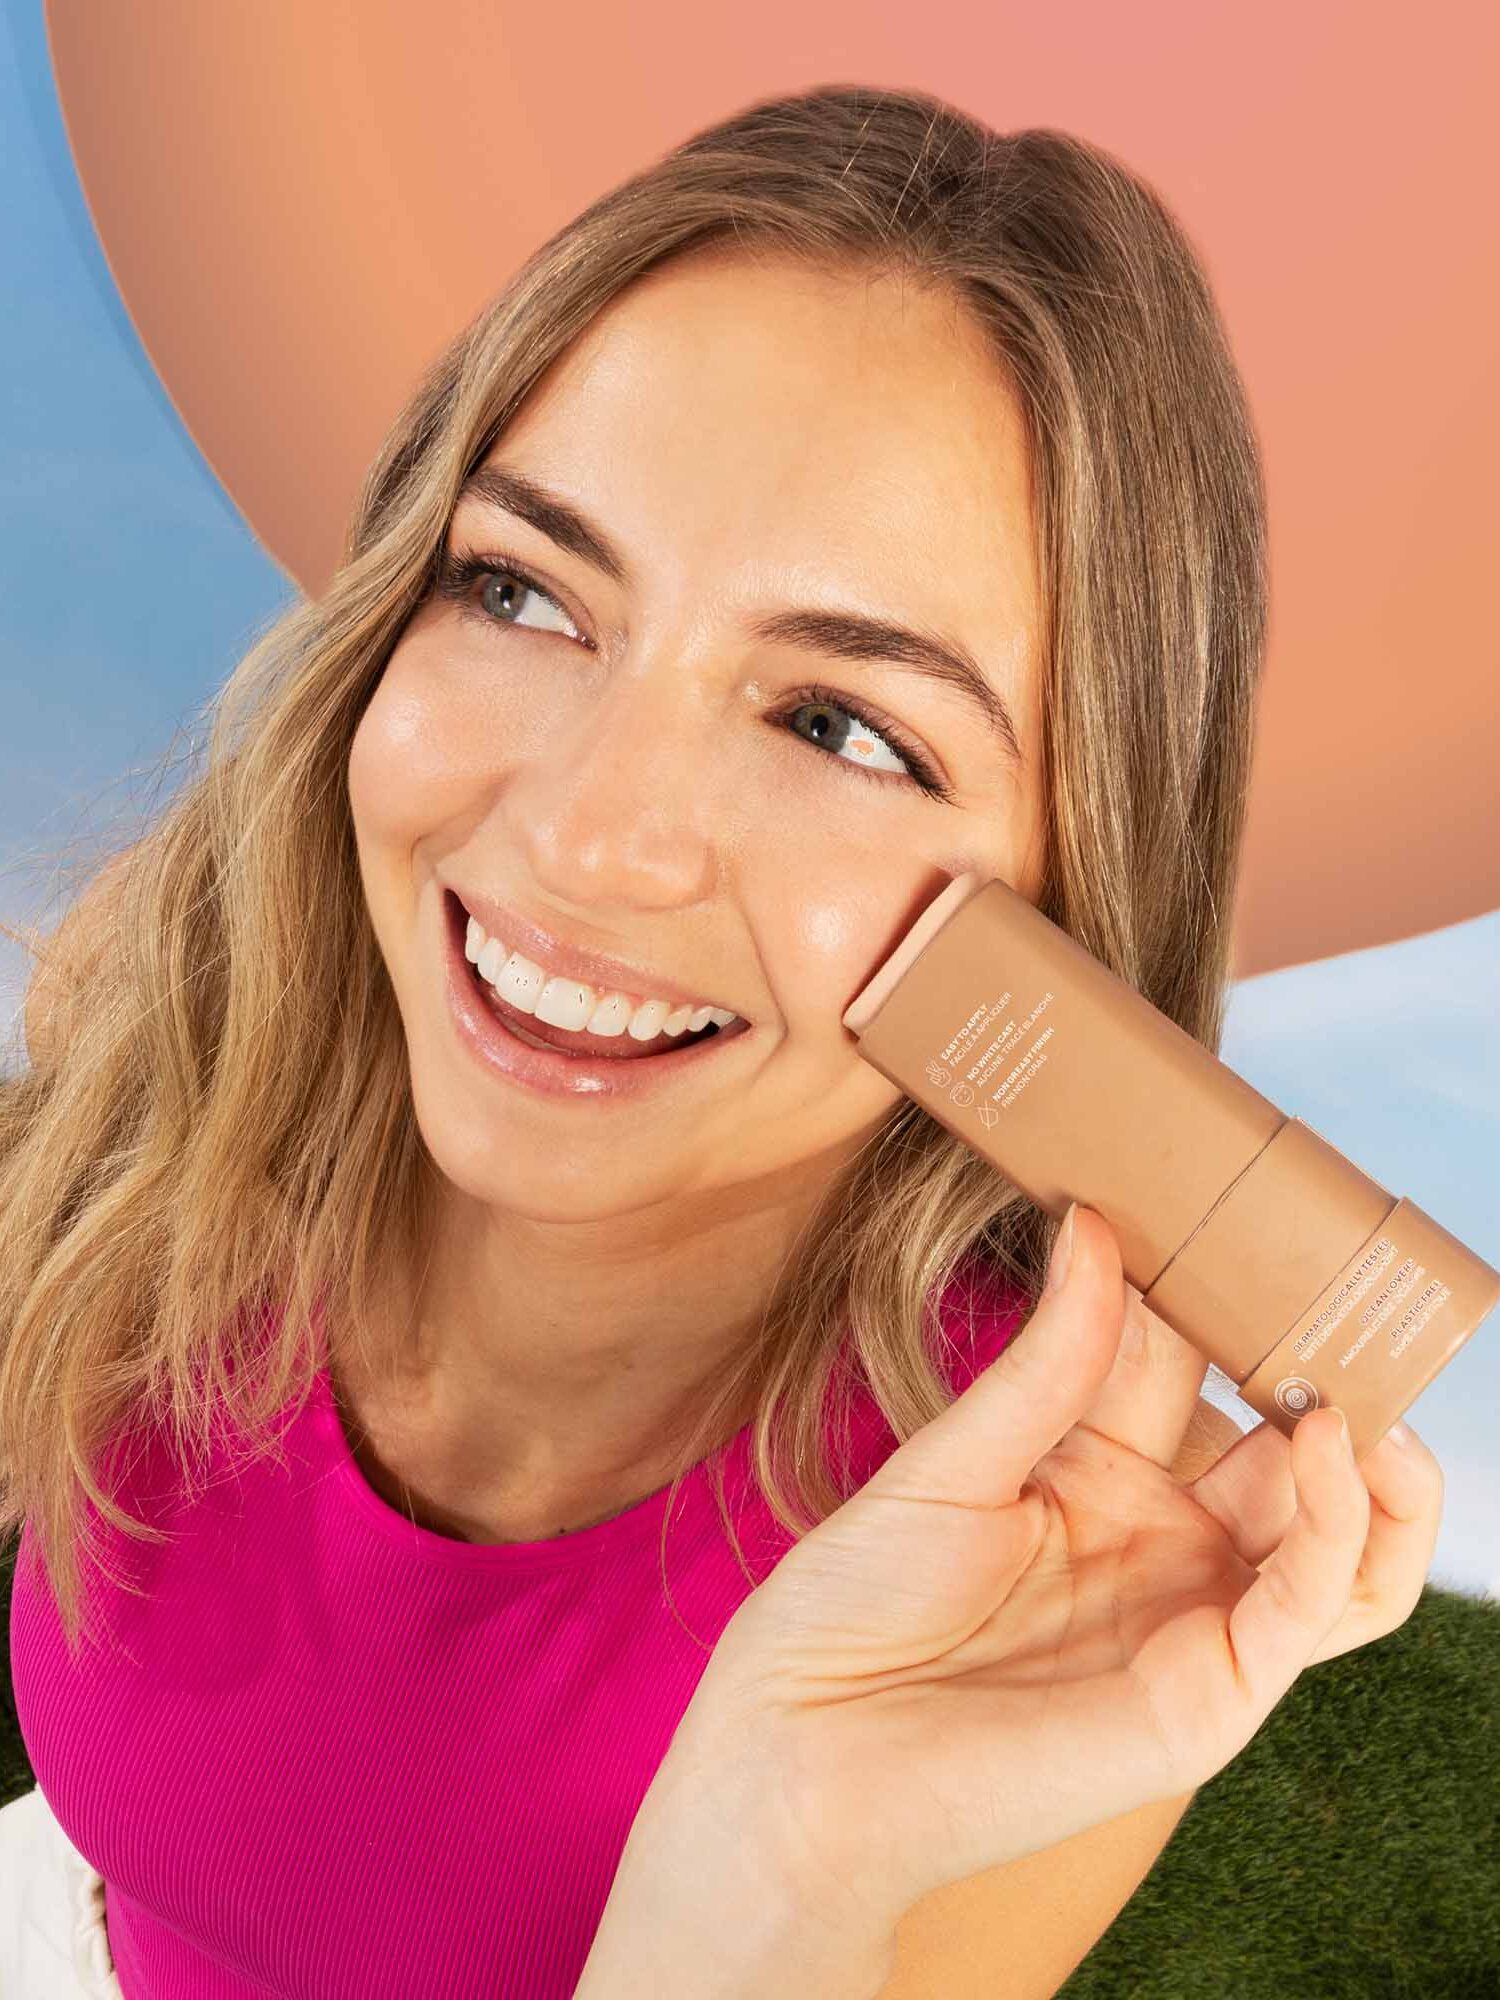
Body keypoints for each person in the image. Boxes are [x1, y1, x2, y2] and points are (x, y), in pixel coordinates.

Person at [0, 84, 1443, 2000]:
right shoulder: (183, 1030)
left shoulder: (1057, 1552)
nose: (588, 837)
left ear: (1068, 904)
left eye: (840, 727)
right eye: (521, 589)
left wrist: (777, 1880)